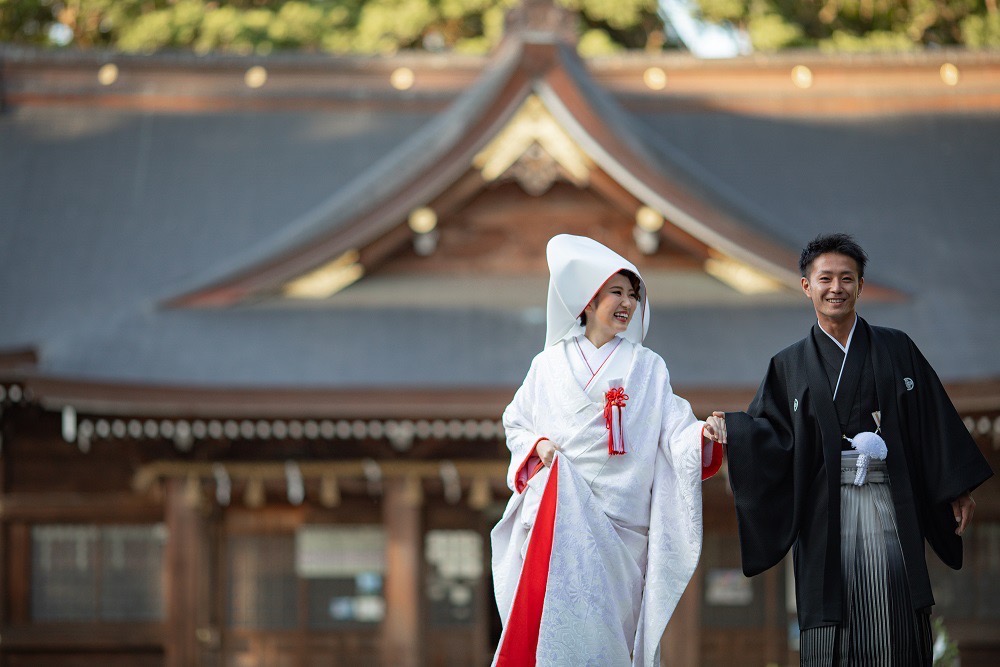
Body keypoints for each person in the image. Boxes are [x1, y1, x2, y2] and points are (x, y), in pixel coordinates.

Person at [706, 233, 993, 665]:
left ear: (860, 285)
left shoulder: (897, 348)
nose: (835, 288)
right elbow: (772, 436)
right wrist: (737, 430)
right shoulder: (789, 365)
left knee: (894, 616)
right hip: (826, 511)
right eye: (825, 279)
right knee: (829, 629)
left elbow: (931, 420)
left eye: (846, 278)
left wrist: (957, 486)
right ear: (807, 286)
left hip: (889, 505)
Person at [491, 234, 724, 667]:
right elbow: (516, 421)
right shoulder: (547, 365)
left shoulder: (649, 366)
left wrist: (701, 437)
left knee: (613, 640)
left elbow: (674, 431)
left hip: (624, 527)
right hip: (562, 514)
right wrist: (538, 445)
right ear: (588, 299)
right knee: (560, 628)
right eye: (616, 292)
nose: (627, 303)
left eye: (632, 294)